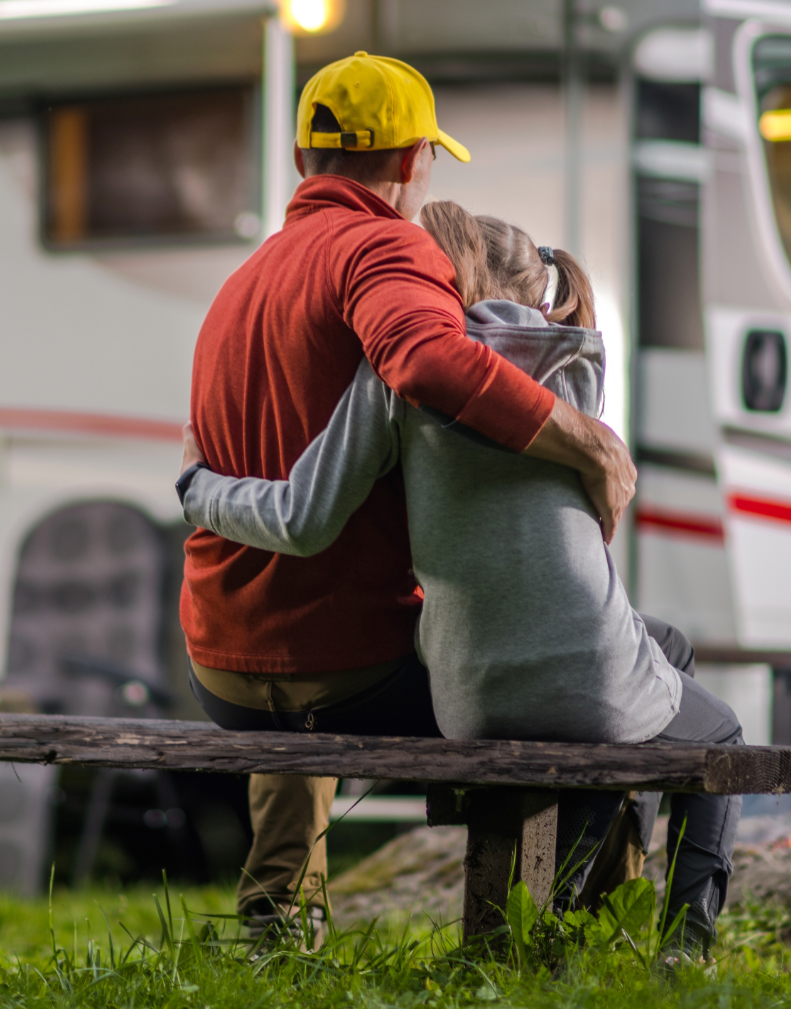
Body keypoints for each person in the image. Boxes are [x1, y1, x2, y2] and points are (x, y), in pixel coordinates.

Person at [180, 202, 744, 954]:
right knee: (706, 727)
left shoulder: (382, 375)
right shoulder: (575, 366)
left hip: (463, 688)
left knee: (639, 667)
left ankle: (551, 913)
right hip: (557, 671)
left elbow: (303, 516)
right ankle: (665, 937)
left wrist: (198, 486)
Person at [179, 52, 637, 940]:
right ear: (412, 160)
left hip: (220, 666)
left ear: (307, 158)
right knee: (547, 686)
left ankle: (278, 926)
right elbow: (428, 360)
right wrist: (586, 443)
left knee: (310, 625)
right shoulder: (384, 245)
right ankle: (576, 931)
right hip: (344, 671)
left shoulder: (243, 283)